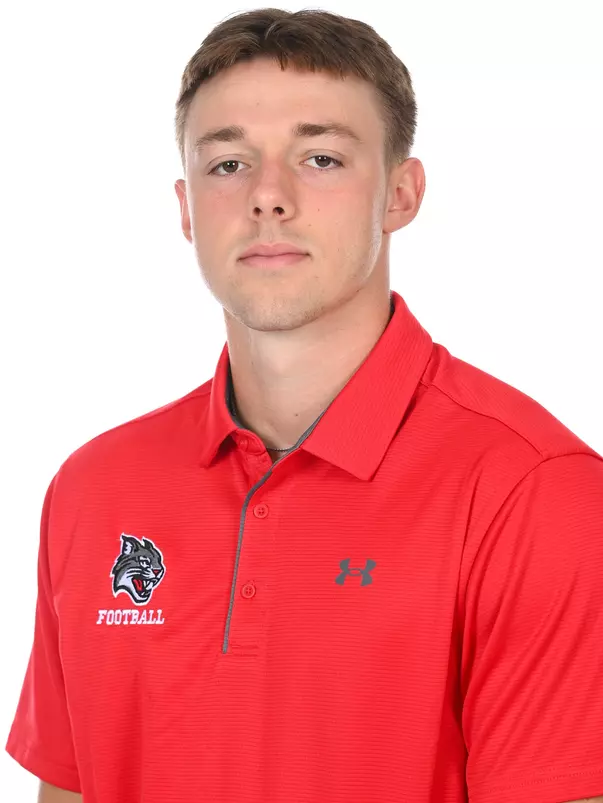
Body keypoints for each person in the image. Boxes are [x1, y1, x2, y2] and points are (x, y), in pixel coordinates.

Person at [5, 8, 603, 803]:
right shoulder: (94, 487)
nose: (268, 197)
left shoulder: (533, 493)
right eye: (227, 164)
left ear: (400, 193)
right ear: (186, 208)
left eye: (320, 157)